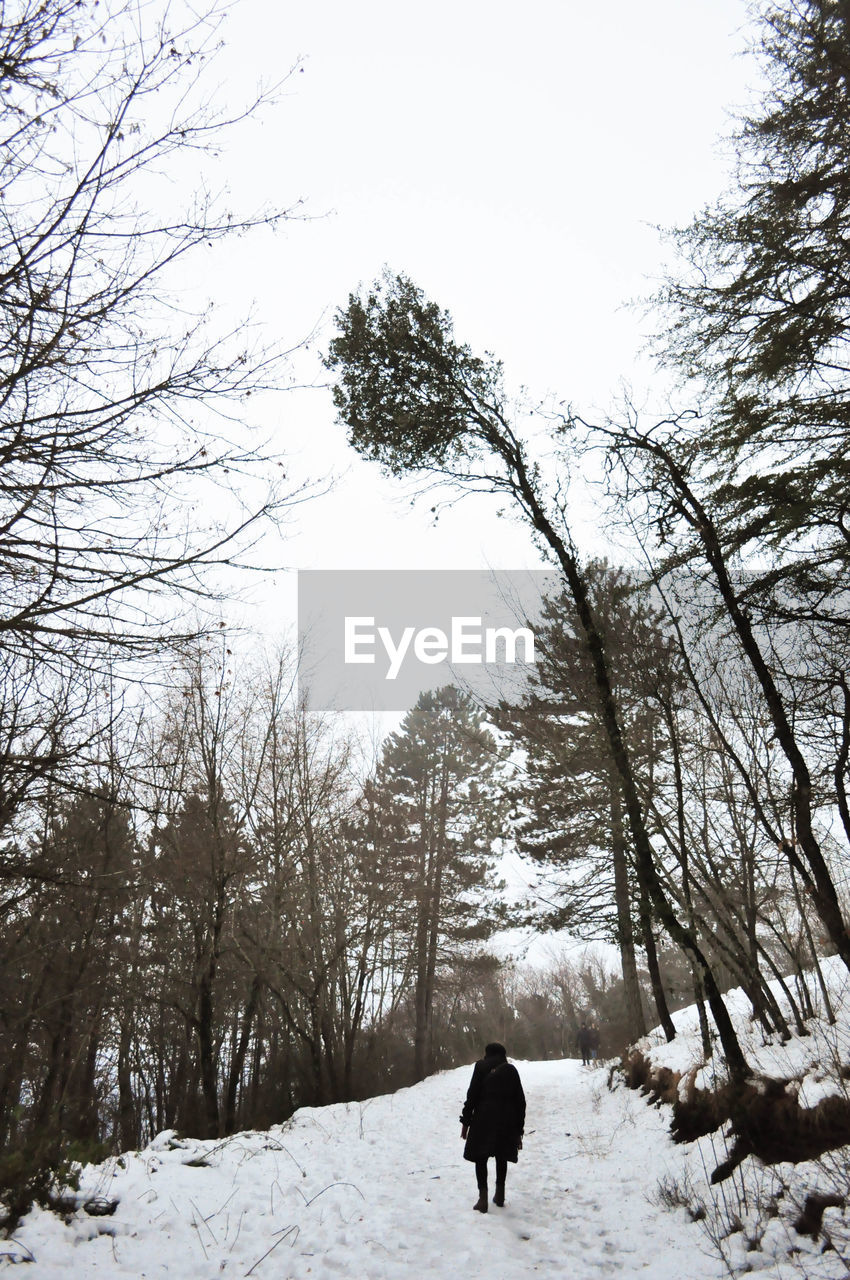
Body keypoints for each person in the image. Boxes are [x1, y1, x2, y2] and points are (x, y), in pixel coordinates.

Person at [459, 1041, 526, 1213]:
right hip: (506, 1120)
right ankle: (500, 1193)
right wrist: (519, 1130)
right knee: (501, 1155)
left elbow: (472, 1095)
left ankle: (483, 1199)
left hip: (483, 1118)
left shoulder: (480, 1067)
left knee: (480, 1158)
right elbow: (520, 1102)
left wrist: (466, 1122)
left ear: (487, 1053)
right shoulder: (511, 1071)